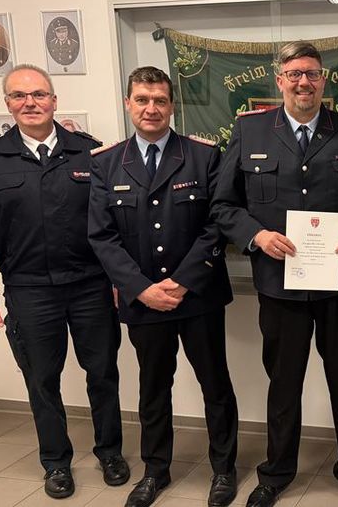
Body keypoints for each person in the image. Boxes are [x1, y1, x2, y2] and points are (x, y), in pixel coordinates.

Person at [211, 41, 338, 507]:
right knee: (283, 384)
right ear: (279, 79)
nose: (303, 82)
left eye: (311, 73)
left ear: (322, 79)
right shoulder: (250, 132)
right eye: (294, 74)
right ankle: (276, 473)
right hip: (279, 285)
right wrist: (257, 236)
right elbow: (223, 205)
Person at [0, 64, 129, 499]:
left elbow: (112, 225)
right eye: (19, 96)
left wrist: (119, 279)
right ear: (8, 104)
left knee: (103, 373)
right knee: (42, 380)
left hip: (91, 285)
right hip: (29, 289)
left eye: (38, 94)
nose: (30, 103)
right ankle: (56, 463)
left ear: (54, 100)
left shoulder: (89, 153)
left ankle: (110, 451)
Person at [88, 67, 238, 507]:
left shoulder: (204, 156)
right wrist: (141, 288)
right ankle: (156, 470)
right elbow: (102, 236)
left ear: (173, 105)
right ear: (128, 104)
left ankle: (224, 469)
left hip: (199, 296)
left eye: (159, 100)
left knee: (216, 384)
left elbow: (217, 226)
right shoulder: (106, 163)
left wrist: (182, 281)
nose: (151, 108)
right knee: (153, 387)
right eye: (142, 100)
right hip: (143, 303)